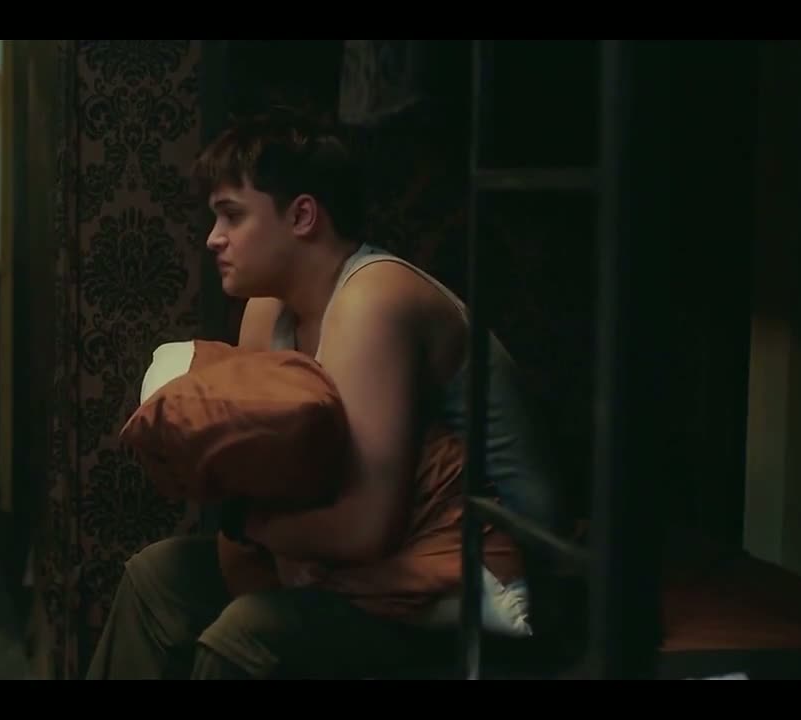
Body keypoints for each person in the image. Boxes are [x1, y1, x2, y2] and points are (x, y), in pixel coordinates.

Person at [85, 110, 558, 680]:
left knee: (247, 635)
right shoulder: (267, 310)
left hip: (481, 572)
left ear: (302, 216)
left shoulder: (373, 299)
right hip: (373, 544)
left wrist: (257, 531)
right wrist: (261, 536)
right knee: (156, 579)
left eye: (232, 215)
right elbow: (256, 481)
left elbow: (366, 526)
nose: (213, 238)